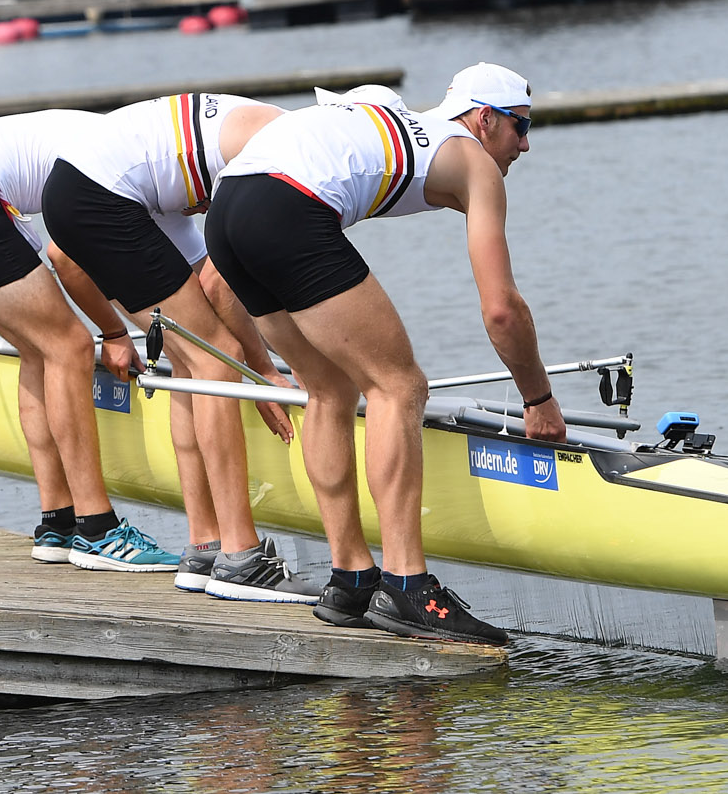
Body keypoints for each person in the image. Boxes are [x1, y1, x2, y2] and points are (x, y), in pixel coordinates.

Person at [205, 63, 565, 645]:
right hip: (286, 207)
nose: (525, 145)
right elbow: (503, 310)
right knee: (399, 387)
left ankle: (350, 581)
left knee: (328, 389)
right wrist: (538, 399)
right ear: (483, 119)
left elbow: (221, 282)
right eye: (521, 127)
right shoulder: (475, 164)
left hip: (227, 208)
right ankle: (406, 586)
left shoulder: (393, 117)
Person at [41, 93, 309, 602]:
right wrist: (266, 374)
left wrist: (260, 366)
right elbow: (223, 281)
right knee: (216, 364)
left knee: (191, 360)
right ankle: (242, 558)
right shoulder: (278, 149)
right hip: (101, 195)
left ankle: (204, 547)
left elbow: (210, 281)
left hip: (95, 193)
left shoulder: (222, 158)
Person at [0, 108, 177, 573]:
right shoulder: (123, 162)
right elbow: (65, 255)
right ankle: (98, 529)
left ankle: (58, 523)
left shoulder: (123, 141)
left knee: (40, 351)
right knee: (71, 346)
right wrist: (113, 332)